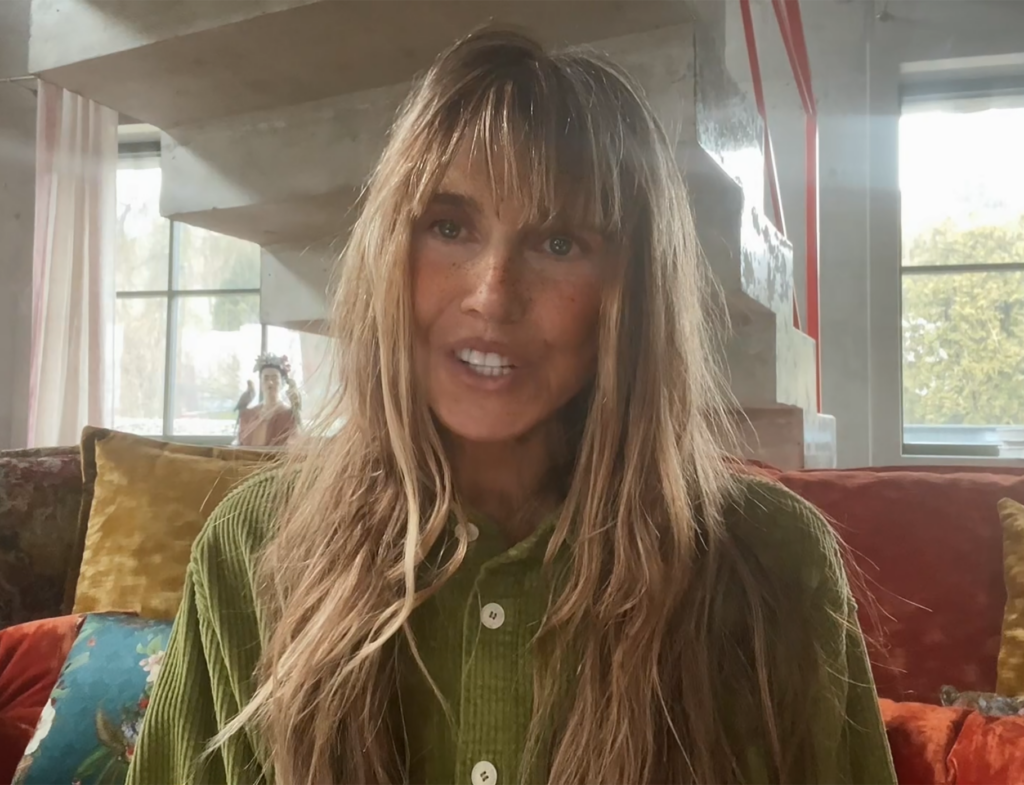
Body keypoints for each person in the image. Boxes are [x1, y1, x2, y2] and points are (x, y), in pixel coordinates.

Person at [126, 29, 896, 785]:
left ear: (630, 295)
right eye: (450, 227)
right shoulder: (251, 548)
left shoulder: (775, 562)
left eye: (558, 243)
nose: (492, 296)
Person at [236, 354, 300, 448]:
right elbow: (240, 445)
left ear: (282, 382)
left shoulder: (289, 416)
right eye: (265, 378)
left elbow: (292, 445)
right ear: (260, 382)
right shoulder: (248, 415)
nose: (270, 382)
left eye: (274, 378)